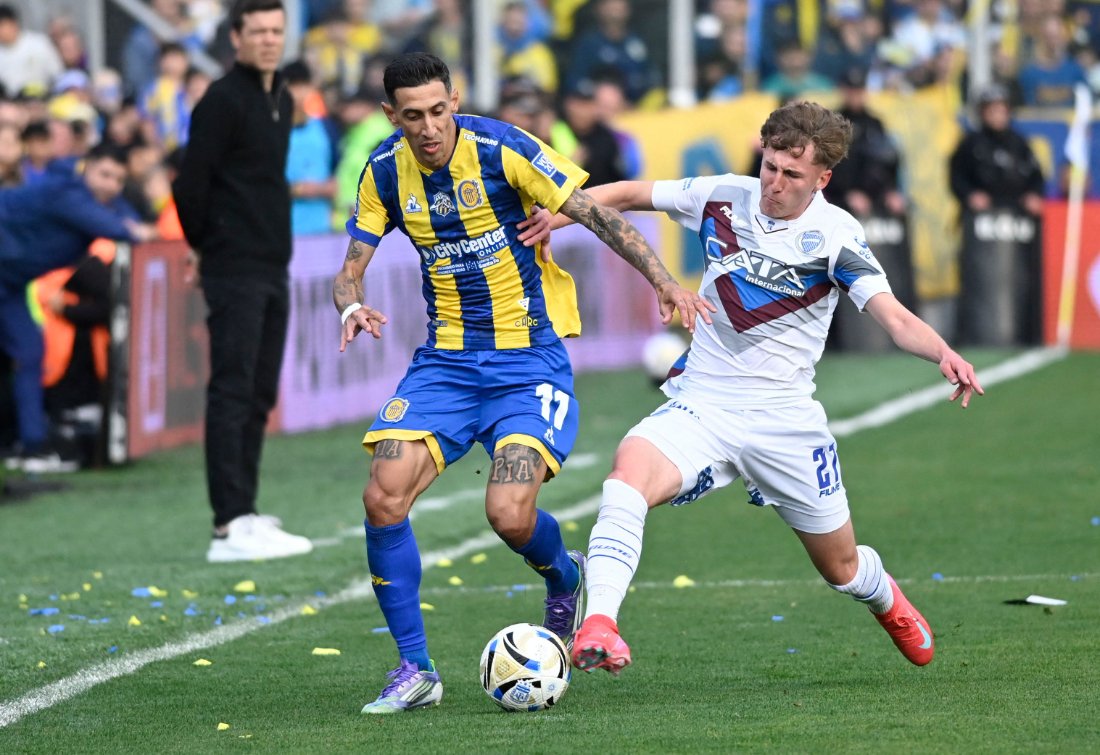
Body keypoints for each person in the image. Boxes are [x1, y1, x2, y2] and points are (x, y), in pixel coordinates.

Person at [543, 101, 984, 675]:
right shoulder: (724, 194)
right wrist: (555, 215)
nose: (773, 183)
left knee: (840, 568)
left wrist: (944, 352)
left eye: (791, 174)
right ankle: (600, 623)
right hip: (702, 400)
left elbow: (894, 316)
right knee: (627, 476)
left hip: (784, 419)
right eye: (770, 165)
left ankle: (886, 599)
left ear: (822, 179)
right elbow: (627, 194)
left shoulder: (836, 235)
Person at [334, 52, 713, 714]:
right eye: (412, 116)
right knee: (382, 496)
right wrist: (350, 304)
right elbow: (349, 269)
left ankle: (564, 575)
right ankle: (415, 667)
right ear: (391, 116)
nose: (428, 128)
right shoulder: (383, 173)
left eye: (438, 110)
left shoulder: (503, 148)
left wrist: (664, 282)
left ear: (456, 98)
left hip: (527, 360)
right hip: (446, 363)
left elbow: (600, 215)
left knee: (507, 512)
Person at [173, 0, 313, 563]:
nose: (269, 40)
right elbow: (190, 186)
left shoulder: (280, 97)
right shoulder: (221, 100)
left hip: (272, 263)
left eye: (276, 31)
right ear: (235, 37)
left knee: (258, 391)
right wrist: (209, 248)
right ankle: (228, 524)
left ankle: (246, 510)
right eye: (257, 31)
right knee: (232, 390)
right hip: (234, 266)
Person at [0, 143, 156, 473]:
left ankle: (30, 445)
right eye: (104, 175)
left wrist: (136, 225)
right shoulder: (68, 193)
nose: (109, 185)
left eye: (117, 180)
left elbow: (132, 221)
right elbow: (121, 229)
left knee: (30, 352)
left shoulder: (93, 195)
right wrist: (137, 228)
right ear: (87, 169)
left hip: (9, 285)